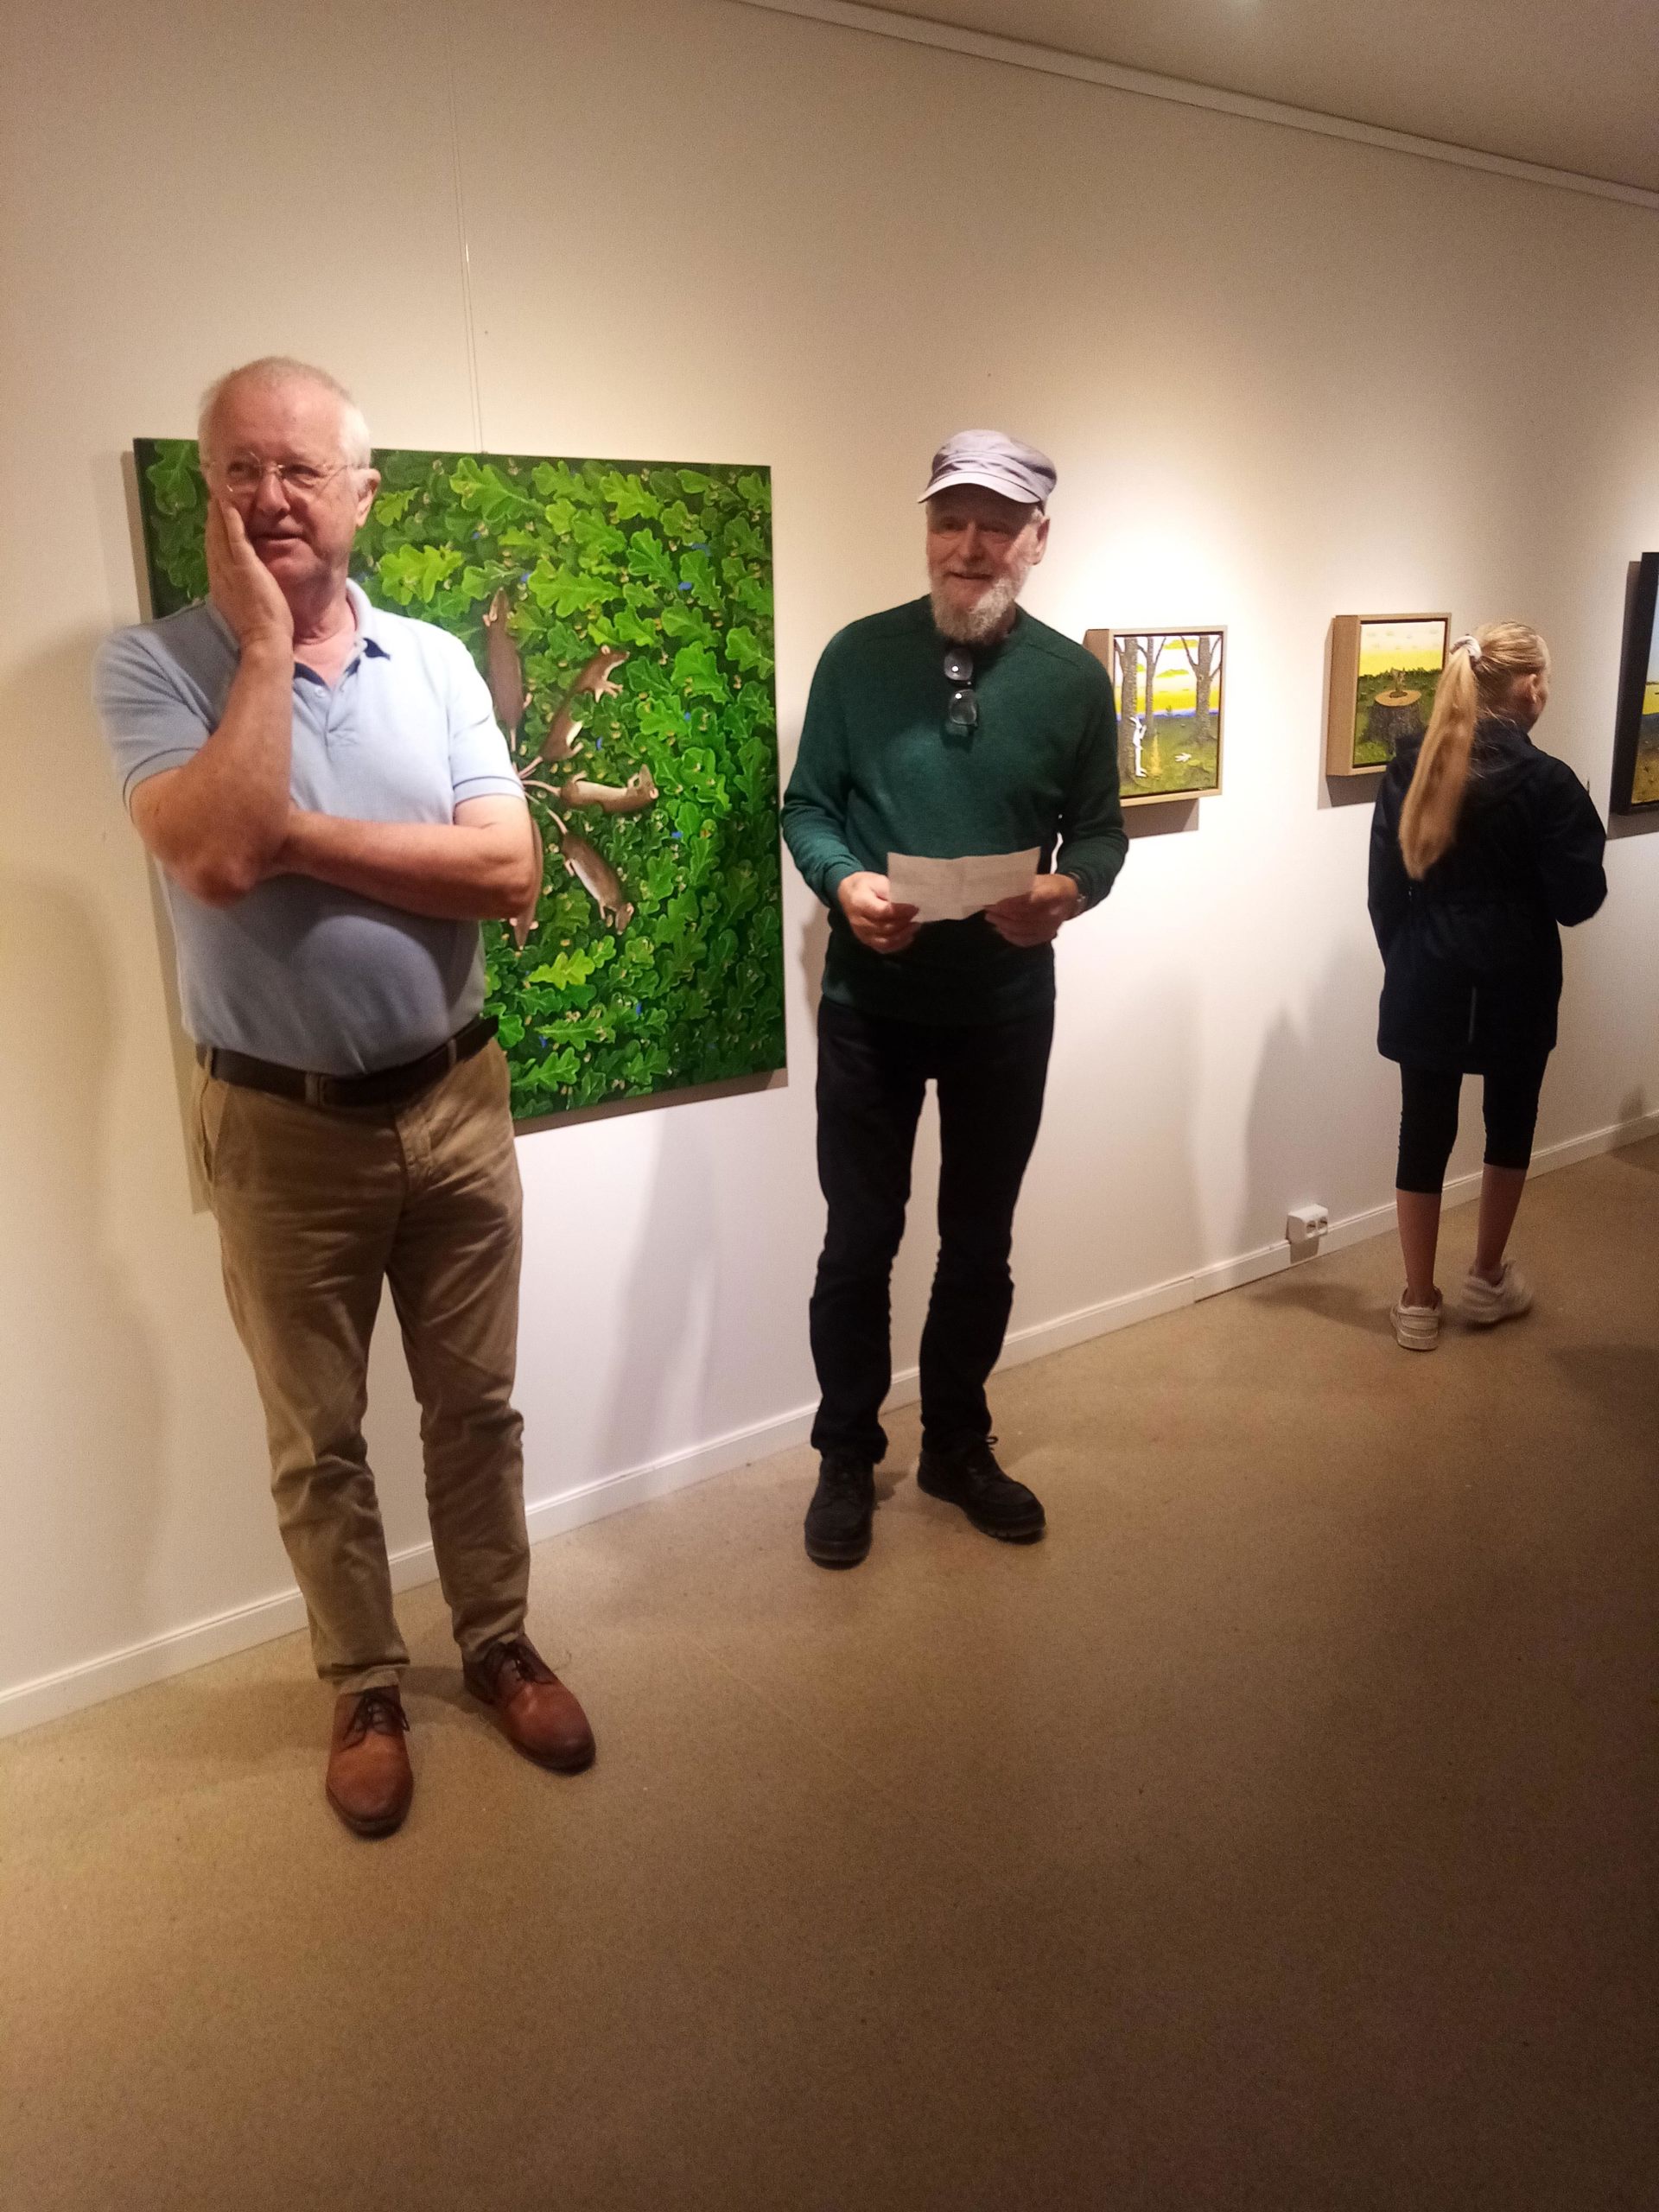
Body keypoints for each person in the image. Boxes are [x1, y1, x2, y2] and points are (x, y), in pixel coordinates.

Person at [94, 357, 594, 1837]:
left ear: (361, 494)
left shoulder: (434, 665)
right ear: (208, 493)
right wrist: (261, 648)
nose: (271, 496)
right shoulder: (151, 668)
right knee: (317, 1440)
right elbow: (209, 853)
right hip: (278, 1126)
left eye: (301, 469)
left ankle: (497, 1642)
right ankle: (366, 1682)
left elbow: (504, 867)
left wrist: (289, 834)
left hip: (457, 1100)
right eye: (240, 470)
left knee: (476, 1409)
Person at [781, 430, 1128, 1567]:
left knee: (979, 1243)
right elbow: (808, 807)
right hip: (872, 1004)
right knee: (859, 1242)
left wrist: (1067, 891)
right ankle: (846, 1453)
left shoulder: (1074, 681)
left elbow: (1102, 832)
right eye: (949, 521)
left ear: (1037, 539)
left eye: (995, 525)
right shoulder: (857, 657)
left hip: (1005, 1006)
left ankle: (956, 1443)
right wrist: (846, 882)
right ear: (928, 531)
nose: (968, 546)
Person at [1368, 621, 1606, 1351]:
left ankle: (1417, 1303)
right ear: (1529, 686)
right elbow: (1578, 900)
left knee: (1422, 1129)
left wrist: (1411, 962)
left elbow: (1385, 893)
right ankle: (1486, 1277)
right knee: (1511, 1122)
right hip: (1517, 972)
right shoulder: (1550, 783)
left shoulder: (1412, 766)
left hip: (1427, 968)